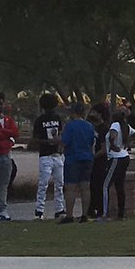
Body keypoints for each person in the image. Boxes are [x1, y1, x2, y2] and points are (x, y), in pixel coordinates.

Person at [60, 102, 95, 223]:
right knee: (85, 187)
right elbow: (91, 142)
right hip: (87, 158)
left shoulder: (70, 126)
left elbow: (65, 142)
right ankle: (84, 215)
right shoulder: (89, 126)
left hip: (73, 158)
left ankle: (69, 215)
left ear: (73, 112)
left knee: (70, 188)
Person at [32, 92, 66, 220]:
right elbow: (35, 138)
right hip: (45, 155)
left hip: (56, 155)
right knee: (43, 183)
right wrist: (49, 142)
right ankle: (39, 210)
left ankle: (59, 209)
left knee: (59, 183)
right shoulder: (40, 120)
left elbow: (61, 133)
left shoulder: (57, 118)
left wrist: (60, 143)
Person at [101, 112, 135, 221]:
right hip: (125, 156)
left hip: (115, 157)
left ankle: (105, 213)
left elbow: (113, 135)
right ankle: (121, 214)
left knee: (105, 185)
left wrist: (113, 145)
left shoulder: (115, 125)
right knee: (119, 186)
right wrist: (127, 143)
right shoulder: (126, 126)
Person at [0, 95, 19, 220]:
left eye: (1, 103)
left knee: (3, 183)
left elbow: (15, 132)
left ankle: (2, 209)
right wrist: (6, 134)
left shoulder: (8, 120)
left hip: (6, 154)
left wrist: (4, 134)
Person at [87, 106, 110, 220]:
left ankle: (100, 210)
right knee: (91, 186)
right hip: (91, 162)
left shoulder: (104, 129)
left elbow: (104, 149)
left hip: (100, 162)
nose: (91, 113)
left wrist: (92, 157)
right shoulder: (90, 127)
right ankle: (90, 209)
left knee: (98, 186)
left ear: (100, 114)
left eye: (94, 112)